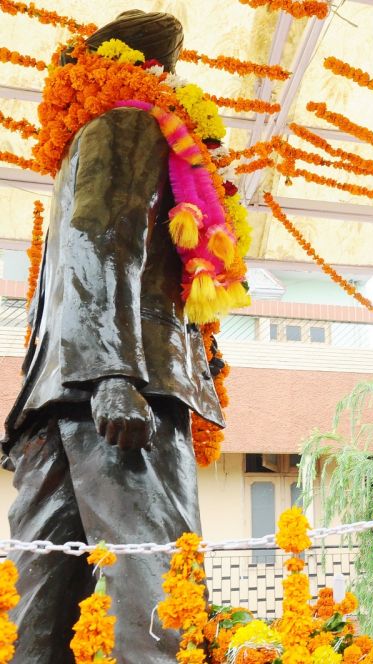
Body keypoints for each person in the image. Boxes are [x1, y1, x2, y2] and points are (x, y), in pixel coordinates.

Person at [2, 11, 224, 663]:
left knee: (41, 613)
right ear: (156, 70)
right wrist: (113, 376)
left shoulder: (84, 141)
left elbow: (77, 258)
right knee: (158, 597)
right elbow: (104, 242)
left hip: (60, 400)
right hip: (124, 392)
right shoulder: (131, 123)